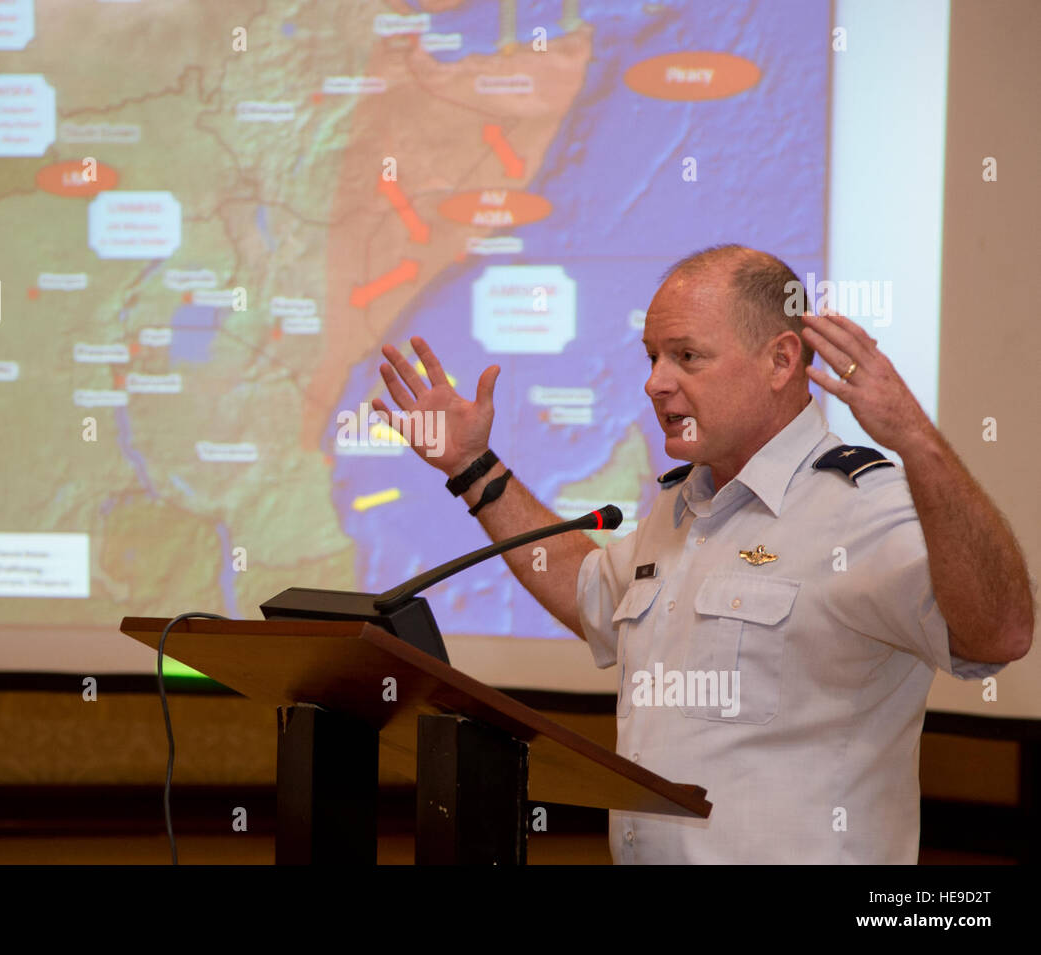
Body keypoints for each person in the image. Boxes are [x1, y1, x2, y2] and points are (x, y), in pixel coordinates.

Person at [371, 244, 1034, 863]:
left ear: (781, 360)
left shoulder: (863, 505)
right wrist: (473, 469)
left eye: (687, 356)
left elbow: (1001, 632)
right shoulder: (684, 503)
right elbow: (587, 590)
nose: (656, 382)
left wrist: (917, 440)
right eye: (651, 356)